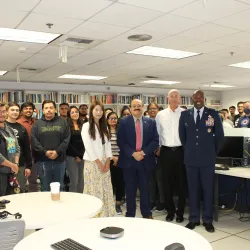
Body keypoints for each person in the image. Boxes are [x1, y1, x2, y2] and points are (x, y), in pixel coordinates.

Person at [179, 90, 224, 233]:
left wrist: (212, 152)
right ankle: (193, 219)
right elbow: (183, 137)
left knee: (207, 190)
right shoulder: (185, 115)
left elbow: (220, 137)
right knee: (193, 190)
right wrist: (190, 151)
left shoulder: (213, 114)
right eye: (195, 97)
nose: (198, 99)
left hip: (207, 160)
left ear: (204, 99)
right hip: (191, 160)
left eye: (200, 97)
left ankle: (208, 220)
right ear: (192, 99)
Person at [117, 99, 159, 219]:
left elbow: (155, 140)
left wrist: (143, 152)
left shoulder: (151, 122)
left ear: (143, 108)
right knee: (130, 190)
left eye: (139, 106)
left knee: (145, 189)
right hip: (129, 161)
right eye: (134, 106)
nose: (137, 108)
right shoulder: (123, 122)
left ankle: (147, 214)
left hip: (145, 160)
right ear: (130, 108)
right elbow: (121, 141)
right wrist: (132, 153)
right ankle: (130, 215)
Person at [156, 90, 187, 223]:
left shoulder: (185, 114)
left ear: (180, 98)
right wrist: (157, 148)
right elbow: (157, 133)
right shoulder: (160, 114)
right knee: (167, 184)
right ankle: (170, 211)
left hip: (181, 152)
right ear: (168, 98)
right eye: (172, 96)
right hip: (166, 152)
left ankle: (180, 212)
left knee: (181, 184)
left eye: (176, 96)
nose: (174, 99)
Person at [81, 100, 115, 217]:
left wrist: (108, 161)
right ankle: (94, 215)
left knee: (105, 188)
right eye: (96, 110)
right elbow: (88, 146)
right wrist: (98, 162)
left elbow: (108, 145)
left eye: (101, 110)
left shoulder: (104, 126)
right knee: (94, 189)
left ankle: (106, 214)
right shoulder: (86, 126)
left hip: (105, 161)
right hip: (92, 162)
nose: (99, 112)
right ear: (91, 111)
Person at [31, 100, 71, 191]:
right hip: (43, 161)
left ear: (55, 109)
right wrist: (45, 152)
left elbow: (66, 139)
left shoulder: (63, 122)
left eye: (51, 108)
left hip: (60, 160)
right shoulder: (37, 124)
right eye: (46, 108)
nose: (49, 110)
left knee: (60, 186)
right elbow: (34, 141)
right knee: (45, 186)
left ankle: (59, 205)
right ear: (43, 110)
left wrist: (57, 152)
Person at [6, 102, 32, 192]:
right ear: (7, 112)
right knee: (5, 192)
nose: (15, 112)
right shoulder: (3, 126)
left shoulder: (21, 128)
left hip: (19, 165)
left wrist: (28, 166)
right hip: (4, 165)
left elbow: (27, 148)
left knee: (19, 191)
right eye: (12, 110)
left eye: (17, 110)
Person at [147, 102, 165, 212]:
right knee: (150, 179)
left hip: (161, 153)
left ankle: (161, 201)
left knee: (160, 179)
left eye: (155, 108)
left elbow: (165, 136)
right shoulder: (145, 122)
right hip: (148, 154)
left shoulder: (162, 122)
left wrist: (160, 148)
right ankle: (151, 201)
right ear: (148, 110)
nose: (153, 110)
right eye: (150, 109)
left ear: (158, 110)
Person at [0, 102, 20, 196]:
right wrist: (12, 165)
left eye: (3, 111)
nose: (2, 114)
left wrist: (15, 163)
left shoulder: (9, 130)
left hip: (10, 174)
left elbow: (15, 148)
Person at [17, 102, 38, 192]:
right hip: (22, 157)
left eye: (30, 108)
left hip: (34, 156)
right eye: (26, 108)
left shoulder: (36, 122)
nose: (28, 110)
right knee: (21, 182)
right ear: (21, 111)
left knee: (33, 182)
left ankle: (34, 203)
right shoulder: (18, 123)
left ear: (33, 110)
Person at [107, 111, 125, 215]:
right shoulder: (104, 131)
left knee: (119, 183)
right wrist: (112, 158)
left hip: (121, 160)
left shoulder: (121, 131)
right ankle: (109, 204)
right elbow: (103, 148)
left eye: (115, 118)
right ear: (107, 120)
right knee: (110, 183)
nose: (113, 120)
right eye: (111, 118)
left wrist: (118, 158)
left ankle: (117, 204)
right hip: (108, 161)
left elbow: (124, 145)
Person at [66, 106, 84, 193]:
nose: (75, 114)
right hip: (71, 157)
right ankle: (73, 202)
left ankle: (81, 200)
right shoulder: (66, 126)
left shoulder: (83, 125)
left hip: (83, 156)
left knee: (82, 181)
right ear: (69, 115)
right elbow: (67, 143)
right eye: (72, 112)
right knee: (74, 181)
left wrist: (81, 155)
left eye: (76, 112)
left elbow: (86, 141)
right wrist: (77, 155)